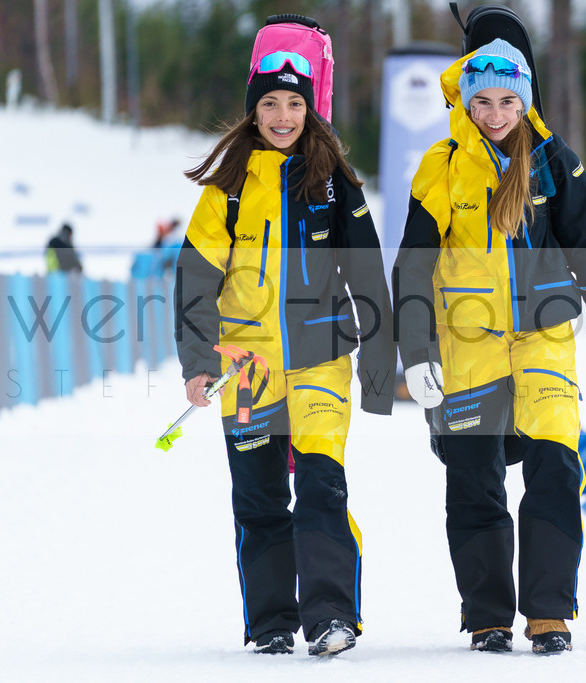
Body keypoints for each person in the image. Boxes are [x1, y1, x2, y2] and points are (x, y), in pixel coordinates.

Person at [393, 39, 586, 655]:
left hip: (544, 340)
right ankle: (487, 617)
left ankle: (549, 614)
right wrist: (417, 351)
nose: (496, 114)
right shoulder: (441, 167)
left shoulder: (555, 163)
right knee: (474, 482)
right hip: (467, 345)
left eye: (508, 101)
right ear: (466, 103)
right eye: (483, 101)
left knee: (555, 468)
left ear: (525, 101)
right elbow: (414, 267)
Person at [173, 46, 395, 657]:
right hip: (246, 371)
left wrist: (378, 370)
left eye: (294, 103)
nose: (281, 115)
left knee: (323, 486)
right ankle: (271, 623)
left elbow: (368, 279)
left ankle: (331, 617)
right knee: (260, 497)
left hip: (323, 358)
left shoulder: (334, 184)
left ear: (310, 111)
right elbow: (194, 283)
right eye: (269, 103)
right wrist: (198, 364)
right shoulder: (226, 191)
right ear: (252, 113)